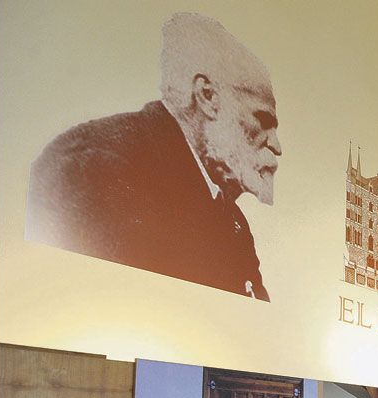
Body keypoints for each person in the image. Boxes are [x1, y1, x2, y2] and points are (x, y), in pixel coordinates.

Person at [26, 12, 281, 301]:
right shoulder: (94, 164)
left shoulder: (231, 218)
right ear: (207, 96)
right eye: (263, 120)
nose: (276, 145)